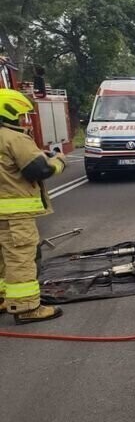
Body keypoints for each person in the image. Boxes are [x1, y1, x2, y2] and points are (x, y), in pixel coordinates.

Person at [0, 89, 66, 324]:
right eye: (21, 115)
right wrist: (58, 161)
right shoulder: (14, 138)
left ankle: (3, 298)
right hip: (13, 215)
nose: (23, 120)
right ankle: (27, 308)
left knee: (1, 259)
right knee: (19, 258)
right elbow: (39, 170)